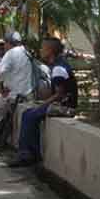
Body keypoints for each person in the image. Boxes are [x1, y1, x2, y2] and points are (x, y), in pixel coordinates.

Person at [8, 36, 77, 168]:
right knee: (29, 114)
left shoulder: (59, 68)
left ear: (50, 51)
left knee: (29, 115)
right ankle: (31, 152)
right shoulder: (58, 64)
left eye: (42, 48)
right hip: (61, 105)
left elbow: (59, 94)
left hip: (65, 108)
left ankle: (26, 154)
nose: (40, 50)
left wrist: (44, 104)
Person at [0, 31, 34, 149]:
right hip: (27, 92)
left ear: (8, 43)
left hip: (14, 94)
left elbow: (1, 71)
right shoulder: (26, 52)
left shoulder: (11, 53)